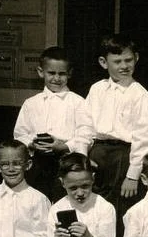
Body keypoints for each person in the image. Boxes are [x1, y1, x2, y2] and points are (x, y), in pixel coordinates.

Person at [14, 46, 94, 203]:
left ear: (69, 74)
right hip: (38, 162)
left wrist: (65, 146)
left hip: (66, 161)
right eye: (51, 73)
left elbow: (86, 133)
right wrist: (32, 143)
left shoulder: (78, 102)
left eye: (62, 74)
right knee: (36, 201)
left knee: (63, 202)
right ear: (40, 72)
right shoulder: (31, 103)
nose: (56, 78)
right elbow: (20, 134)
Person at [86, 34, 148, 216]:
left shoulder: (140, 94)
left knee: (119, 206)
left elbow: (144, 138)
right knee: (94, 206)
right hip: (97, 154)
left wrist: (132, 175)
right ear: (103, 62)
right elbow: (86, 127)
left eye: (128, 60)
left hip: (123, 157)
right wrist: (84, 157)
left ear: (136, 58)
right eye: (117, 61)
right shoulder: (96, 89)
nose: (124, 66)